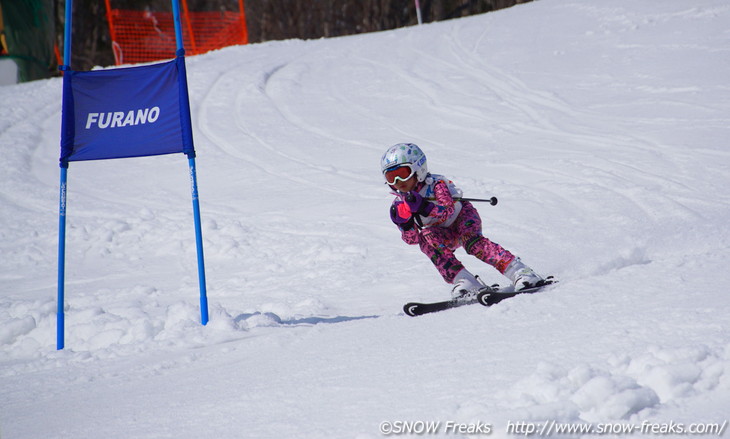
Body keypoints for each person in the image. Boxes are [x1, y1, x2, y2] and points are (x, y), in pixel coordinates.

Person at [382, 142, 544, 298]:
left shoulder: (436, 184)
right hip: (442, 232)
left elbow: (448, 210)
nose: (398, 182)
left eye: (402, 174)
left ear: (419, 169)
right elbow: (412, 240)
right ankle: (465, 280)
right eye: (391, 177)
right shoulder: (400, 204)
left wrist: (424, 207)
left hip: (462, 218)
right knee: (426, 240)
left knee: (472, 243)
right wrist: (405, 224)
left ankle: (519, 271)